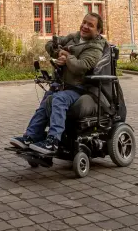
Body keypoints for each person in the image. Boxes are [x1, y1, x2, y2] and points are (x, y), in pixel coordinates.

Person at [10, 12, 107, 155]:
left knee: (58, 99)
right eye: (84, 22)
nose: (85, 26)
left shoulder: (95, 47)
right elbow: (50, 44)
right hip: (61, 85)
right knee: (43, 106)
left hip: (78, 87)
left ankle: (52, 141)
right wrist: (59, 52)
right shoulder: (73, 37)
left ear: (98, 31)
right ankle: (31, 137)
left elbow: (80, 66)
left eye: (90, 25)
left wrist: (67, 57)